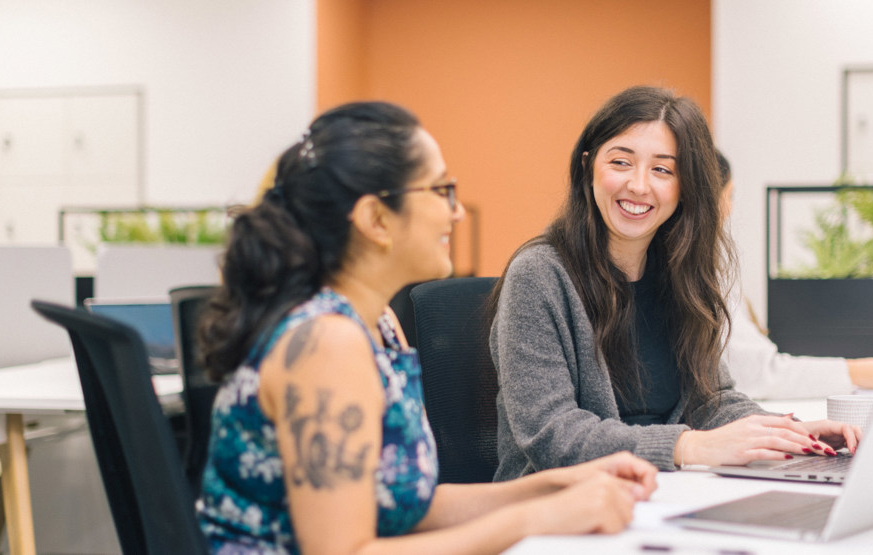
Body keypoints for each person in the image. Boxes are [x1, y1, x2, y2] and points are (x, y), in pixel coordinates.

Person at [194, 101, 658, 554]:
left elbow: (400, 507)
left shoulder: (377, 323)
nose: (456, 212)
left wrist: (552, 487)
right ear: (376, 219)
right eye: (440, 191)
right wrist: (533, 521)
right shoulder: (325, 343)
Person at [489, 86, 861, 480]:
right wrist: (689, 446)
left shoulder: (681, 273)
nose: (638, 185)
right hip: (558, 510)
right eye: (621, 162)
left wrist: (782, 431)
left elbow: (711, 400)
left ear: (685, 187)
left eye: (662, 169)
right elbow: (552, 435)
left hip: (663, 493)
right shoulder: (539, 276)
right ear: (588, 167)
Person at [716, 151, 873, 399]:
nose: (731, 208)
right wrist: (855, 372)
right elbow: (759, 374)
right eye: (730, 196)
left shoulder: (713, 264)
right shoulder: (701, 275)